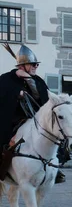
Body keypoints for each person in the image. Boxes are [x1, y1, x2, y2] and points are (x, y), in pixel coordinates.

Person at [0, 45, 66, 183]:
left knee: (54, 137)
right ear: (22, 65)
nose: (36, 66)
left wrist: (29, 80)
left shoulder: (38, 80)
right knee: (9, 141)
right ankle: (3, 169)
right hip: (14, 120)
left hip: (36, 119)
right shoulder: (6, 79)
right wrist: (15, 94)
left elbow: (44, 99)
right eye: (33, 64)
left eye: (37, 64)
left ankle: (54, 167)